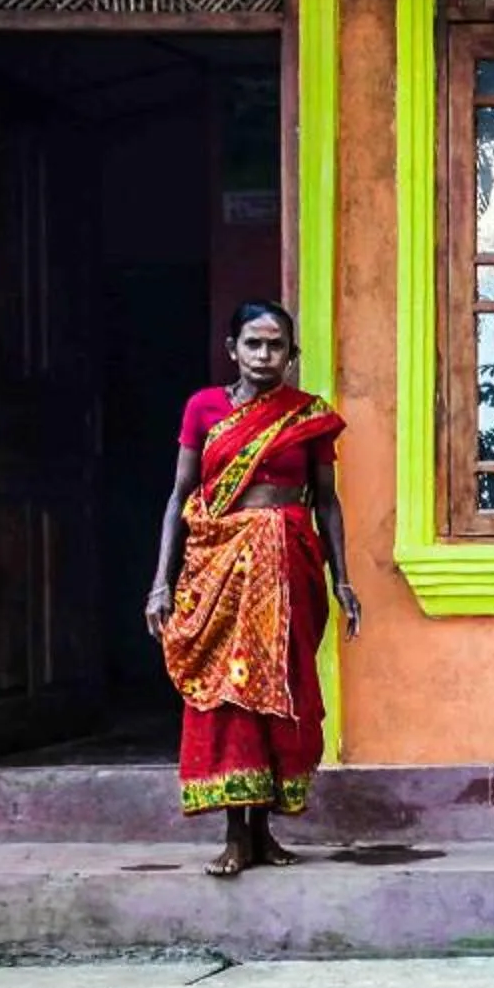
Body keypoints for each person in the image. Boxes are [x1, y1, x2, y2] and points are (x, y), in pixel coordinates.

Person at [143, 302, 360, 878]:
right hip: (217, 569)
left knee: (277, 695)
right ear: (232, 348)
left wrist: (342, 577)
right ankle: (235, 834)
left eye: (277, 347)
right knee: (228, 695)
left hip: (289, 571)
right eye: (254, 345)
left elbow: (326, 501)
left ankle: (265, 832)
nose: (265, 357)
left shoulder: (308, 416)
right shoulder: (204, 409)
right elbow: (180, 495)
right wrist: (159, 583)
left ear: (293, 354)